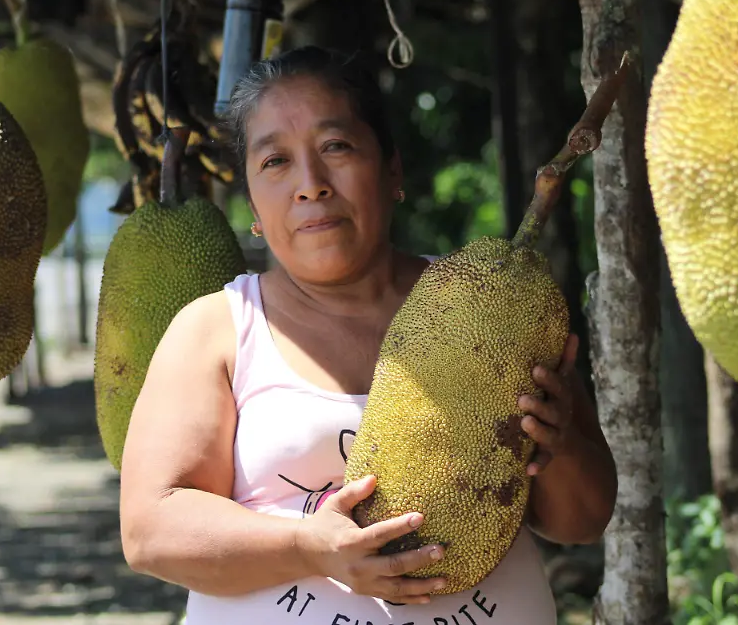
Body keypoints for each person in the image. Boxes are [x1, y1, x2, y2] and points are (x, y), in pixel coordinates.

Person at [117, 45, 618, 624]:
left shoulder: (489, 302)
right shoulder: (216, 328)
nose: (311, 184)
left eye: (336, 146)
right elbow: (150, 531)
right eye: (275, 161)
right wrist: (310, 547)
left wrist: (558, 448)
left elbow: (581, 522)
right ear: (252, 202)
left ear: (392, 169)